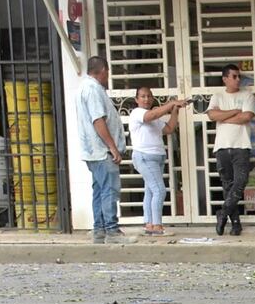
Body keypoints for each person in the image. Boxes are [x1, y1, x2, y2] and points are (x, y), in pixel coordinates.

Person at [76, 56, 132, 244]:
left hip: (93, 150)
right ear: (103, 70)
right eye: (107, 72)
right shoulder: (92, 89)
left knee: (99, 190)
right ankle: (111, 230)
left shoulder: (84, 88)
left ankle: (99, 229)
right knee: (109, 189)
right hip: (101, 150)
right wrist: (113, 147)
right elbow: (98, 120)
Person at [129, 87, 186, 237]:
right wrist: (172, 103)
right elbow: (151, 114)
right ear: (136, 100)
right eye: (142, 96)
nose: (146, 99)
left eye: (149, 96)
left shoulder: (155, 119)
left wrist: (175, 110)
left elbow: (169, 128)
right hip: (145, 156)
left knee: (150, 191)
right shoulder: (138, 113)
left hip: (157, 157)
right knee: (159, 190)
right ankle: (157, 226)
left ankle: (149, 224)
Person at [207, 64, 255, 236]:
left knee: (240, 182)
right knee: (228, 186)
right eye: (234, 76)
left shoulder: (247, 95)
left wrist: (224, 117)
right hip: (222, 146)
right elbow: (212, 115)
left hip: (241, 145)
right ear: (225, 78)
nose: (237, 80)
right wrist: (235, 111)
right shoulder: (217, 96)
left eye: (239, 77)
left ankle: (222, 213)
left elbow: (246, 117)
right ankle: (235, 223)